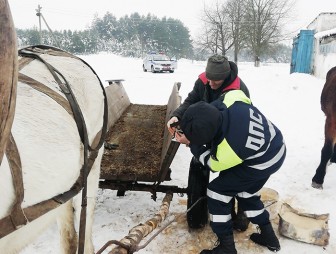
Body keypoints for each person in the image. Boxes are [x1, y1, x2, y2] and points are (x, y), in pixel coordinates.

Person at [174, 98, 286, 254]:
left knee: (217, 193)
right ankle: (269, 236)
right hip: (275, 146)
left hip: (261, 162)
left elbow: (213, 164)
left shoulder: (229, 147)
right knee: (246, 193)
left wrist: (193, 144)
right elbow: (215, 106)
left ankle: (226, 248)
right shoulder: (234, 102)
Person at [167, 54, 250, 231]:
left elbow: (241, 122)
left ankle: (241, 215)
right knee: (198, 164)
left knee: (233, 173)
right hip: (206, 131)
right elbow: (191, 101)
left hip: (230, 137)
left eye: (216, 81)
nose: (211, 84)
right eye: (209, 79)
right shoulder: (204, 81)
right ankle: (197, 215)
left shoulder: (239, 90)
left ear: (226, 76)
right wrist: (177, 115)